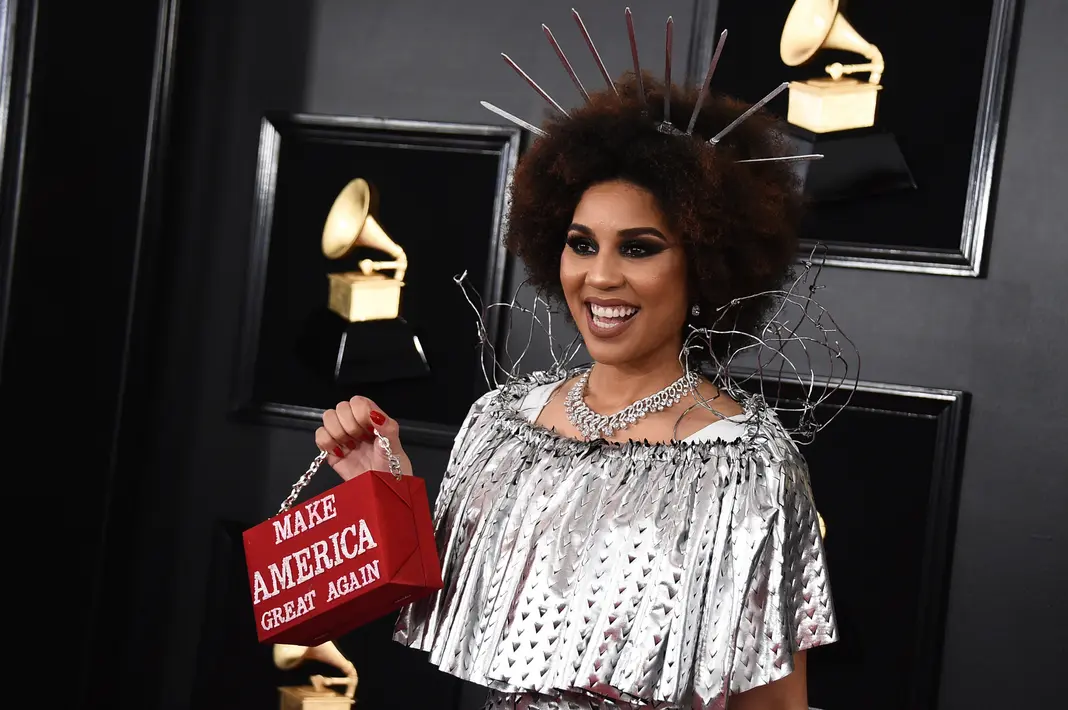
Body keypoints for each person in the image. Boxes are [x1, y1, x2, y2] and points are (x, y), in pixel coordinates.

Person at [313, 15, 839, 710]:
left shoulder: (747, 465)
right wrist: (386, 493)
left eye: (639, 247)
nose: (600, 277)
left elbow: (773, 704)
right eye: (581, 244)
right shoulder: (500, 424)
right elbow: (447, 610)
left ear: (706, 267)